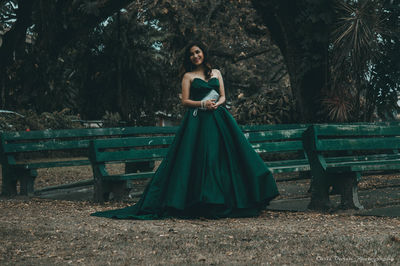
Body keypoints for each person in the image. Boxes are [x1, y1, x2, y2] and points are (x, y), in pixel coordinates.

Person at [91, 42, 279, 219]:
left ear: (203, 53)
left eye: (197, 52)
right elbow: (185, 101)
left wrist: (216, 105)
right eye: (191, 54)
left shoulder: (216, 72)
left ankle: (231, 201)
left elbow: (223, 96)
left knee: (225, 158)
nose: (195, 56)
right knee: (201, 159)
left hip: (220, 119)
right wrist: (203, 104)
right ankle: (203, 202)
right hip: (198, 123)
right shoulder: (188, 77)